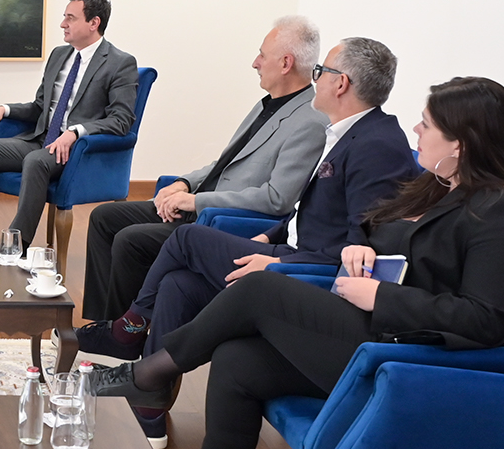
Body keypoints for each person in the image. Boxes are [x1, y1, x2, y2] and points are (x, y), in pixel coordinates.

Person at [96, 76, 504, 449]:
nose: (417, 131)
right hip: (373, 331)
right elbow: (376, 230)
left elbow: (485, 320)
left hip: (407, 359)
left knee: (260, 289)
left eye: (428, 124)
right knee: (237, 359)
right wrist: (361, 248)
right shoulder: (439, 186)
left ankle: (149, 373)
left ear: (460, 143)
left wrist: (380, 296)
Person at [76, 37, 416, 448]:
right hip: (285, 248)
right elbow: (313, 213)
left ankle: (129, 330)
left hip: (302, 270)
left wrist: (278, 265)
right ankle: (149, 405)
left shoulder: (377, 145)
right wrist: (270, 235)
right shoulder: (347, 132)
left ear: (341, 83)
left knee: (186, 238)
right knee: (179, 284)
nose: (316, 79)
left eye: (321, 72)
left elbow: (358, 248)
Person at [81, 17, 329, 322]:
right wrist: (184, 184)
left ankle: (126, 331)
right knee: (105, 217)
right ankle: (101, 322)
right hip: (200, 205)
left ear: (286, 63)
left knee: (130, 240)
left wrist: (196, 201)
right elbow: (224, 163)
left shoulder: (309, 122)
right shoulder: (268, 104)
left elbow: (277, 199)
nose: (255, 62)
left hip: (221, 221)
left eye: (262, 55)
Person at [0, 0, 139, 244]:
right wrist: (6, 109)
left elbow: (121, 120)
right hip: (41, 140)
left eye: (71, 18)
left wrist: (76, 132)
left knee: (36, 161)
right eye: (64, 16)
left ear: (94, 23)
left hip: (77, 151)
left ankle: (17, 245)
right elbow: (40, 107)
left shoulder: (120, 63)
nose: (62, 24)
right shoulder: (59, 55)